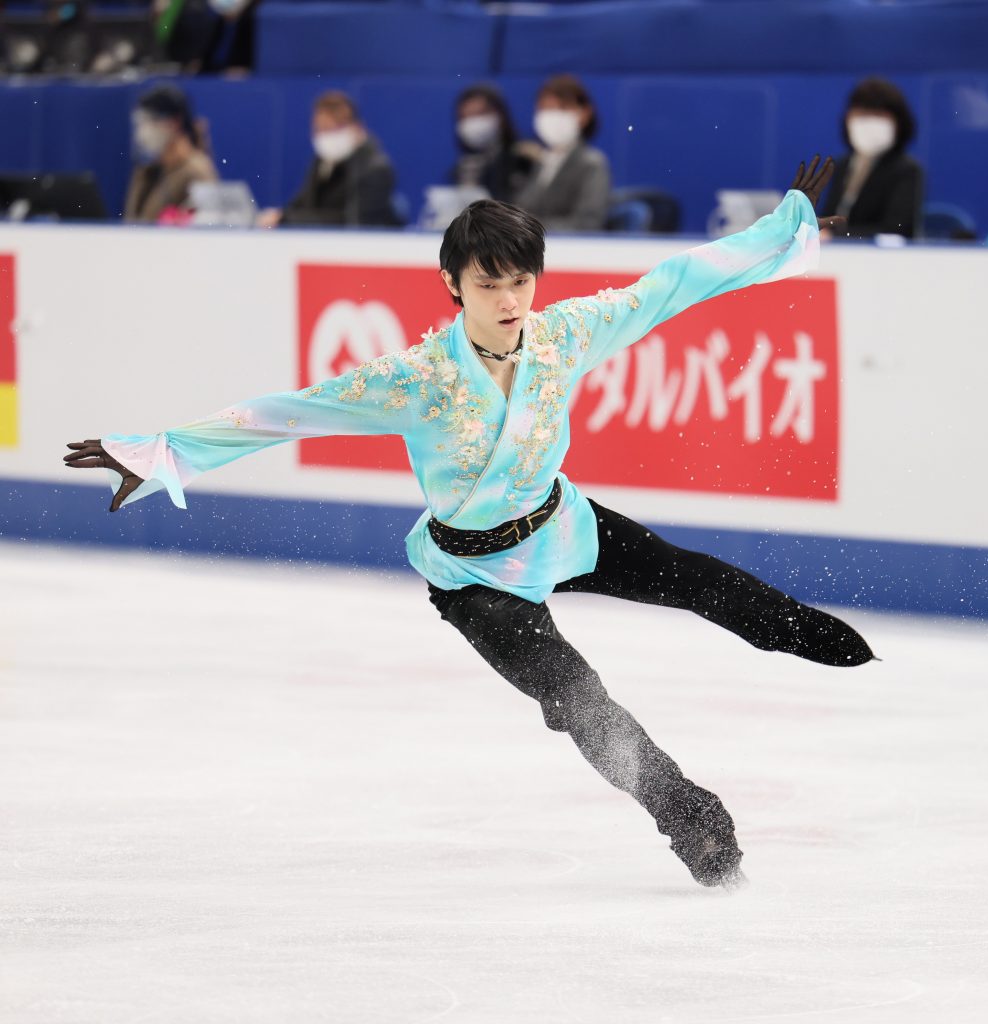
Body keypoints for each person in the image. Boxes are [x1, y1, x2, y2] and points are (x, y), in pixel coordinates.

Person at [65, 156, 870, 890]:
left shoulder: (565, 334)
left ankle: (816, 639)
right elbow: (285, 414)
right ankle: (691, 821)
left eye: (521, 280)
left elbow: (673, 282)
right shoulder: (414, 379)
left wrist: (783, 230)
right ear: (453, 283)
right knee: (578, 700)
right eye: (489, 284)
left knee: (701, 580)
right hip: (475, 577)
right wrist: (162, 450)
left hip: (563, 527)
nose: (510, 300)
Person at [256, 91, 400, 229]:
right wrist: (280, 216)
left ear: (356, 128)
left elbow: (354, 220)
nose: (325, 136)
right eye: (320, 129)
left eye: (332, 129)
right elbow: (304, 203)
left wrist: (286, 219)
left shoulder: (375, 169)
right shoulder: (324, 159)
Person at [819, 77, 924, 240]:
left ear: (898, 122)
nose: (869, 124)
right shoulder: (842, 165)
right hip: (836, 257)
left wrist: (836, 236)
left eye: (878, 115)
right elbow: (827, 220)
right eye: (862, 115)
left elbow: (897, 229)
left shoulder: (907, 170)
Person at [513, 74, 611, 232]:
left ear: (585, 113)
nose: (552, 116)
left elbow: (588, 223)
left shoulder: (592, 163)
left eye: (562, 108)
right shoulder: (539, 161)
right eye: (545, 109)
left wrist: (530, 230)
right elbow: (522, 209)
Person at [124, 83, 218, 225]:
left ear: (174, 122)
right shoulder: (147, 170)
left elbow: (206, 229)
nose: (143, 131)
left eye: (151, 121)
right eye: (140, 122)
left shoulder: (197, 172)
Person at [450, 83, 533, 203]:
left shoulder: (523, 159)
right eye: (466, 117)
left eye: (480, 114)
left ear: (500, 115)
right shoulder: (461, 169)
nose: (474, 123)